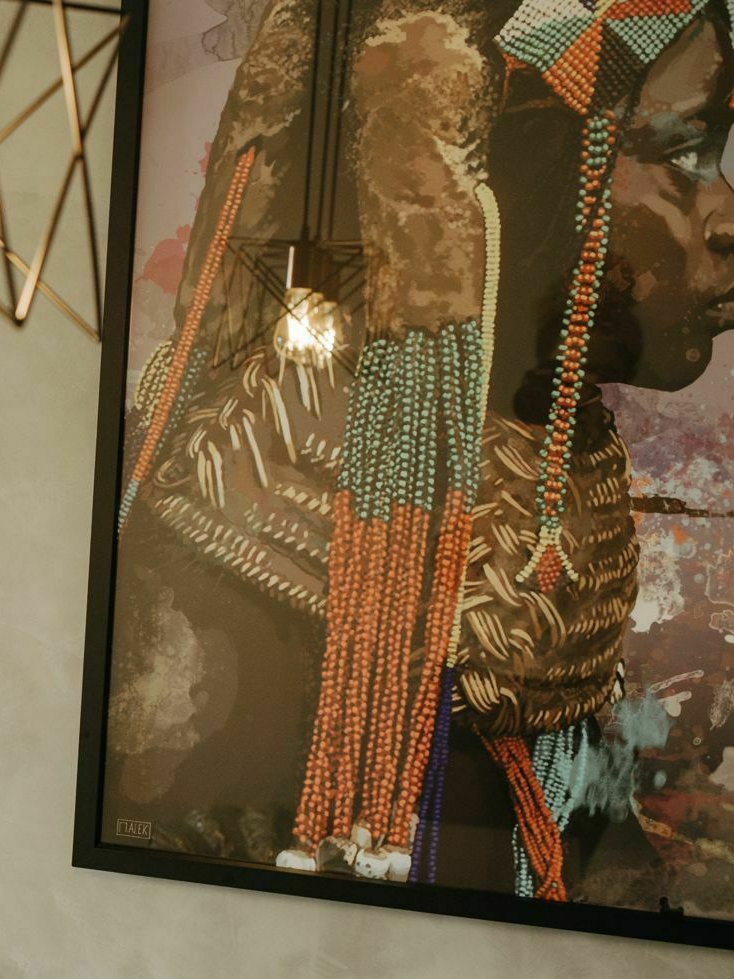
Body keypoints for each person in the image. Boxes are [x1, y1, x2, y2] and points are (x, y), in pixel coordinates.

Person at [104, 0, 734, 903]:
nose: (725, 217)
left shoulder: (553, 537)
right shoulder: (209, 624)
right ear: (495, 175)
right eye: (676, 151)